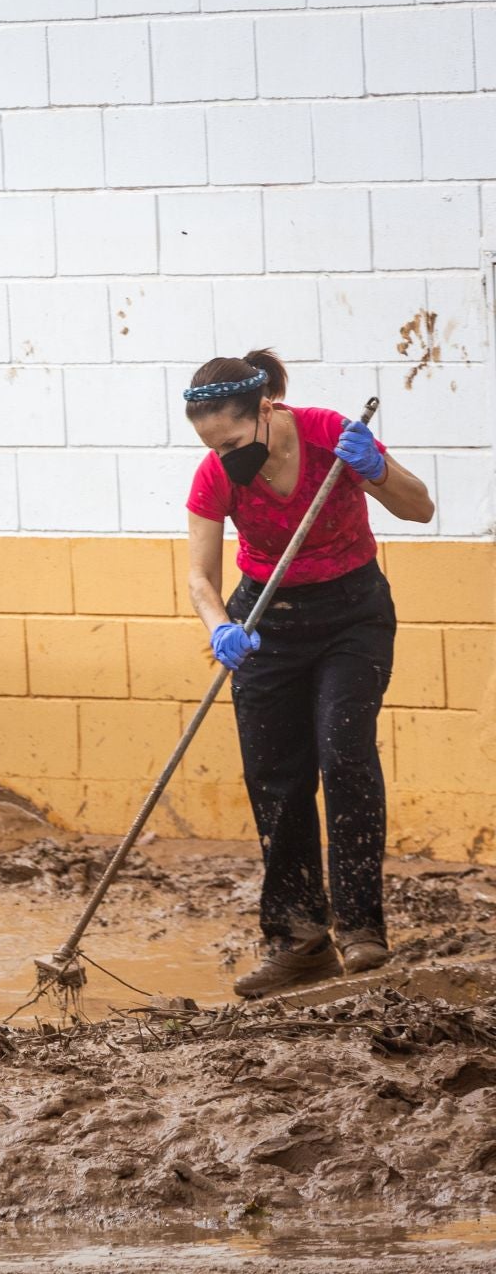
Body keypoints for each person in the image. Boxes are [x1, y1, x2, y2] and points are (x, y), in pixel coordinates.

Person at [183, 349, 434, 998]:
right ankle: (298, 938)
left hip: (353, 613)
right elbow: (200, 576)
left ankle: (360, 927)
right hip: (265, 617)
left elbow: (419, 508)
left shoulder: (328, 435)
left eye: (234, 440)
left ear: (266, 409)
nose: (225, 455)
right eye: (213, 445)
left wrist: (374, 468)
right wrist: (218, 625)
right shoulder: (215, 476)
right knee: (275, 774)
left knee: (343, 750)